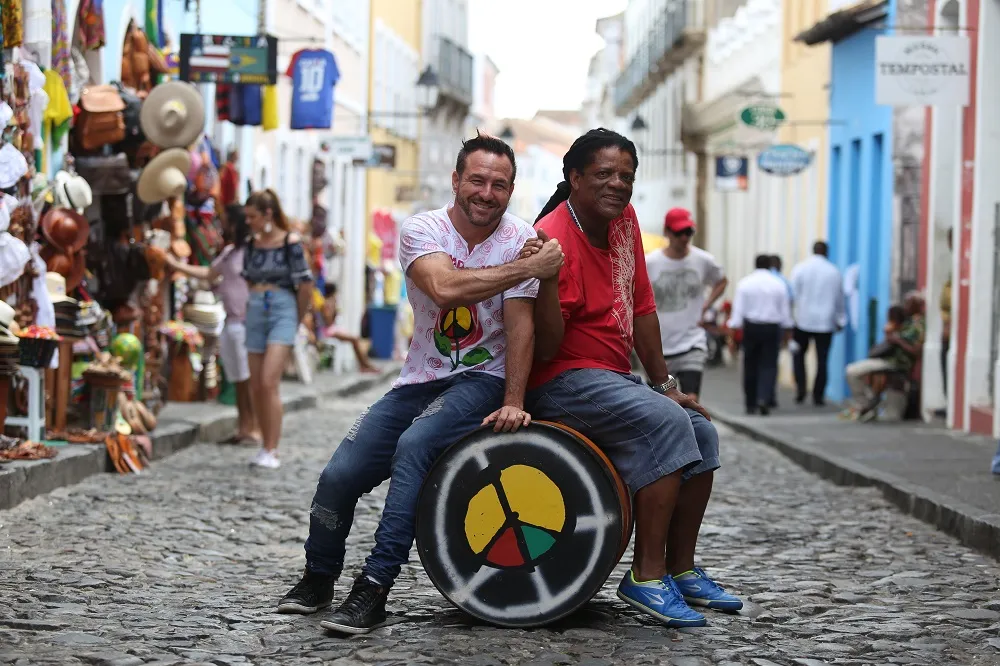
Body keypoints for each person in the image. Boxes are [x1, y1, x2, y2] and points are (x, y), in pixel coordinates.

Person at [277, 133, 565, 634]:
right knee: (338, 477)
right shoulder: (423, 228)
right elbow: (443, 287)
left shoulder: (520, 237)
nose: (487, 192)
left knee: (415, 447)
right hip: (417, 379)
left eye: (500, 184)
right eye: (477, 179)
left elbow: (522, 327)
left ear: (511, 190)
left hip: (481, 379)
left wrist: (515, 400)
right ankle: (318, 578)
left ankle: (374, 588)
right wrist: (527, 267)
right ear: (456, 180)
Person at [524, 128, 741, 629]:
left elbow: (642, 306)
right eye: (604, 174)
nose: (618, 184)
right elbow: (548, 346)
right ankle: (645, 576)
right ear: (574, 178)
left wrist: (668, 386)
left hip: (612, 379)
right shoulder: (554, 236)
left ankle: (681, 568)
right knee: (667, 425)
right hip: (563, 380)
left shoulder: (624, 223)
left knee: (700, 428)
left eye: (626, 175)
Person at [166, 204, 260, 445]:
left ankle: (253, 428)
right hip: (230, 321)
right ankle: (243, 426)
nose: (221, 225)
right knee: (239, 379)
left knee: (247, 379)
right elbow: (209, 273)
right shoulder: (230, 252)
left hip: (245, 322)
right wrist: (176, 266)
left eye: (226, 220)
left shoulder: (251, 252)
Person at [242, 189, 314, 469]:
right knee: (257, 384)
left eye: (253, 216)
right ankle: (263, 445)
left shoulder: (290, 242)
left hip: (283, 307)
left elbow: (305, 284)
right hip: (257, 308)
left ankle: (272, 448)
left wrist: (296, 318)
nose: (248, 221)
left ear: (267, 214)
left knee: (270, 380)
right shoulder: (252, 244)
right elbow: (249, 279)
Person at [644, 207, 727, 401]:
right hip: (659, 348)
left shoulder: (703, 260)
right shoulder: (650, 263)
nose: (684, 238)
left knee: (691, 399)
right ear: (667, 232)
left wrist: (707, 304)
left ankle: (692, 431)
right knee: (661, 403)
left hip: (692, 342)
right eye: (679, 232)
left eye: (688, 232)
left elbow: (721, 281)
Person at [727, 255, 793, 415]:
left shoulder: (745, 283)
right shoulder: (778, 284)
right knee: (769, 365)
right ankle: (764, 398)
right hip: (772, 328)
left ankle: (750, 403)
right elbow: (785, 313)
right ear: (770, 265)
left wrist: (732, 335)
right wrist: (787, 335)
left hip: (751, 327)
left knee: (750, 365)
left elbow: (737, 314)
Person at [846, 293, 925, 422]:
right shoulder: (906, 322)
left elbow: (916, 351)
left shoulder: (918, 325)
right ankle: (867, 402)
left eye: (909, 303)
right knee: (852, 371)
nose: (906, 306)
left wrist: (898, 340)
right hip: (887, 360)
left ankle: (868, 403)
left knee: (852, 371)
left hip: (897, 363)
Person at [789, 241, 845, 406]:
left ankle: (801, 389)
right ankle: (818, 395)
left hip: (802, 320)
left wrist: (790, 318)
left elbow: (792, 295)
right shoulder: (834, 271)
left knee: (798, 356)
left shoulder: (800, 268)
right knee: (823, 359)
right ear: (826, 252)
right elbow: (839, 298)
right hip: (825, 322)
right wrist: (840, 319)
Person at [319, 284, 378, 374]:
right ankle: (364, 364)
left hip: (332, 329)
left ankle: (365, 364)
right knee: (354, 339)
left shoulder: (330, 302)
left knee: (356, 339)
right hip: (329, 331)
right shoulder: (327, 303)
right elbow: (328, 321)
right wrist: (333, 309)